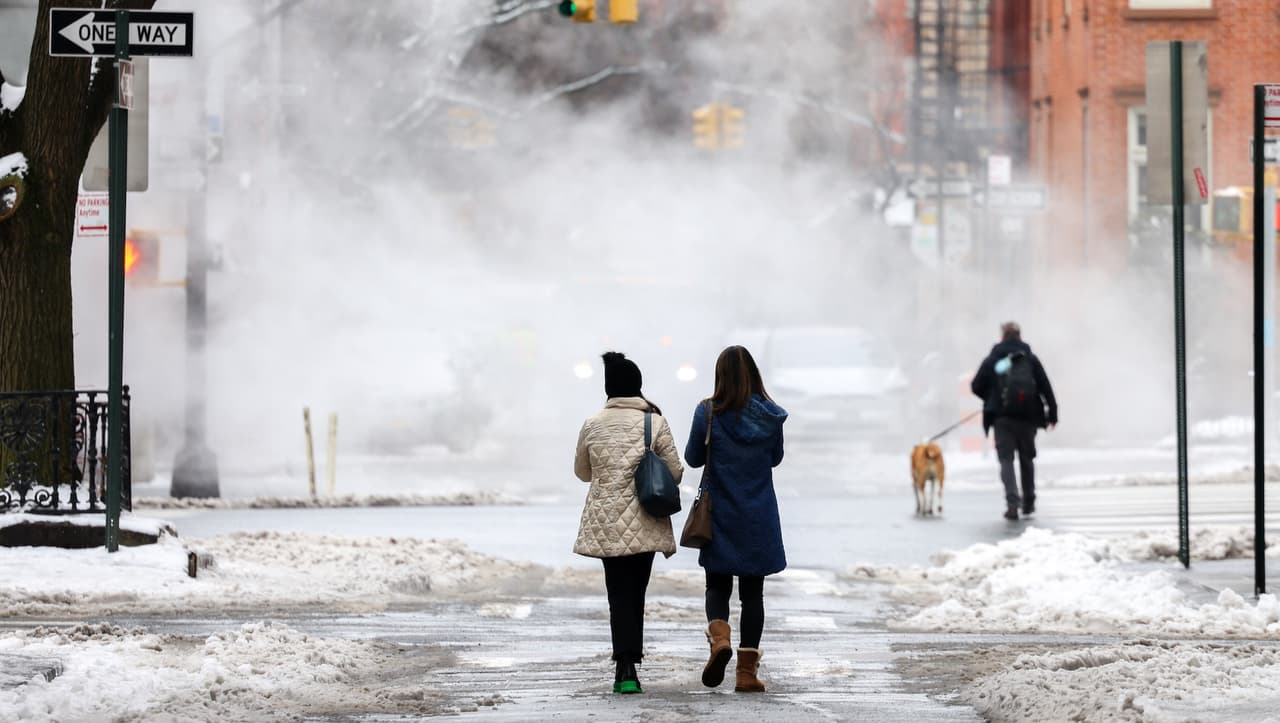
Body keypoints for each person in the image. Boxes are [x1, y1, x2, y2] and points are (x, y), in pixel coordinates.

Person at [574, 351, 684, 694]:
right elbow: (675, 472)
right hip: (645, 518)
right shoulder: (654, 423)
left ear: (608, 388)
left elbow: (582, 472)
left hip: (607, 520)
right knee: (636, 591)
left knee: (617, 592)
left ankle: (625, 667)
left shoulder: (592, 424)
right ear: (637, 385)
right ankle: (629, 663)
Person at [684, 345, 787, 693]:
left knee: (717, 586)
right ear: (754, 375)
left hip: (720, 513)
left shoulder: (708, 412)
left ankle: (720, 640)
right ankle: (746, 674)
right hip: (758, 514)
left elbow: (693, 457)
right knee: (753, 595)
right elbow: (775, 458)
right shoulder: (770, 416)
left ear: (720, 376)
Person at [970, 321, 1058, 521]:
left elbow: (976, 385)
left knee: (1006, 460)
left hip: (1002, 419)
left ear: (1002, 336)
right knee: (1027, 459)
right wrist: (1053, 414)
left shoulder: (994, 358)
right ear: (1020, 336)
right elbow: (1045, 386)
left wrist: (991, 398)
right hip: (1028, 417)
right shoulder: (1030, 358)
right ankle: (1029, 501)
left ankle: (1012, 503)